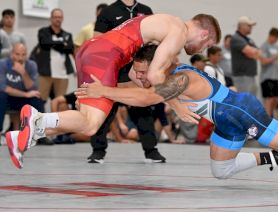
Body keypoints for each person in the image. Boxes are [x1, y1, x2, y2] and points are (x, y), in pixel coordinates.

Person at [76, 45, 278, 193]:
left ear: (160, 65)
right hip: (224, 119)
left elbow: (144, 97)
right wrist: (114, 83)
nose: (140, 77)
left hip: (242, 111)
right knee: (221, 170)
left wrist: (105, 89)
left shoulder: (180, 78)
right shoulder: (159, 74)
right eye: (138, 72)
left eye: (145, 72)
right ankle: (272, 158)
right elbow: (137, 85)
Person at [6, 13, 221, 168]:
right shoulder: (179, 31)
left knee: (85, 118)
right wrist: (177, 105)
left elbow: (138, 74)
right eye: (207, 45)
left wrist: (139, 84)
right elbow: (156, 76)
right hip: (105, 55)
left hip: (94, 50)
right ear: (204, 34)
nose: (203, 50)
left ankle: (20, 137)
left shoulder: (166, 22)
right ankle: (37, 120)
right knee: (91, 124)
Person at [87, 0, 158, 164]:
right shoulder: (108, 11)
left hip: (139, 70)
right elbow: (97, 40)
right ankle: (98, 151)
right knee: (106, 109)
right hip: (115, 70)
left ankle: (151, 151)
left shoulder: (145, 10)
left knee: (143, 108)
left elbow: (153, 40)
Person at [0, 43, 44, 138]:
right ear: (12, 54)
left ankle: (40, 134)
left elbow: (33, 88)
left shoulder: (31, 65)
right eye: (17, 54)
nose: (20, 58)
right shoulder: (3, 64)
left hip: (23, 99)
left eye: (23, 54)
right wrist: (25, 94)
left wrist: (23, 73)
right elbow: (3, 87)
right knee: (1, 96)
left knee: (37, 97)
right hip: (8, 99)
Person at [33, 8, 74, 103]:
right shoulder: (43, 31)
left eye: (59, 17)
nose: (57, 19)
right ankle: (39, 118)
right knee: (40, 100)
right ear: (51, 18)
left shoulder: (67, 35)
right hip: (45, 72)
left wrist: (53, 44)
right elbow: (44, 43)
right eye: (55, 17)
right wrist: (61, 44)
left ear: (62, 18)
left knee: (59, 102)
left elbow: (69, 49)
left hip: (62, 74)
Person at [230, 16, 260, 95]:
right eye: (249, 26)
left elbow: (258, 53)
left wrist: (253, 53)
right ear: (242, 26)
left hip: (250, 75)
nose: (251, 28)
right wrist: (253, 53)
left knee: (250, 102)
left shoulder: (248, 40)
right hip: (242, 76)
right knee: (243, 101)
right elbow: (251, 52)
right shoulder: (236, 38)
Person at [259, 27, 278, 117]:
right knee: (269, 99)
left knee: (277, 99)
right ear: (271, 36)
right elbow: (263, 61)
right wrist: (276, 56)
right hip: (267, 77)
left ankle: (272, 117)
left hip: (276, 77)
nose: (276, 40)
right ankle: (268, 119)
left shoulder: (276, 47)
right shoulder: (264, 46)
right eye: (276, 38)